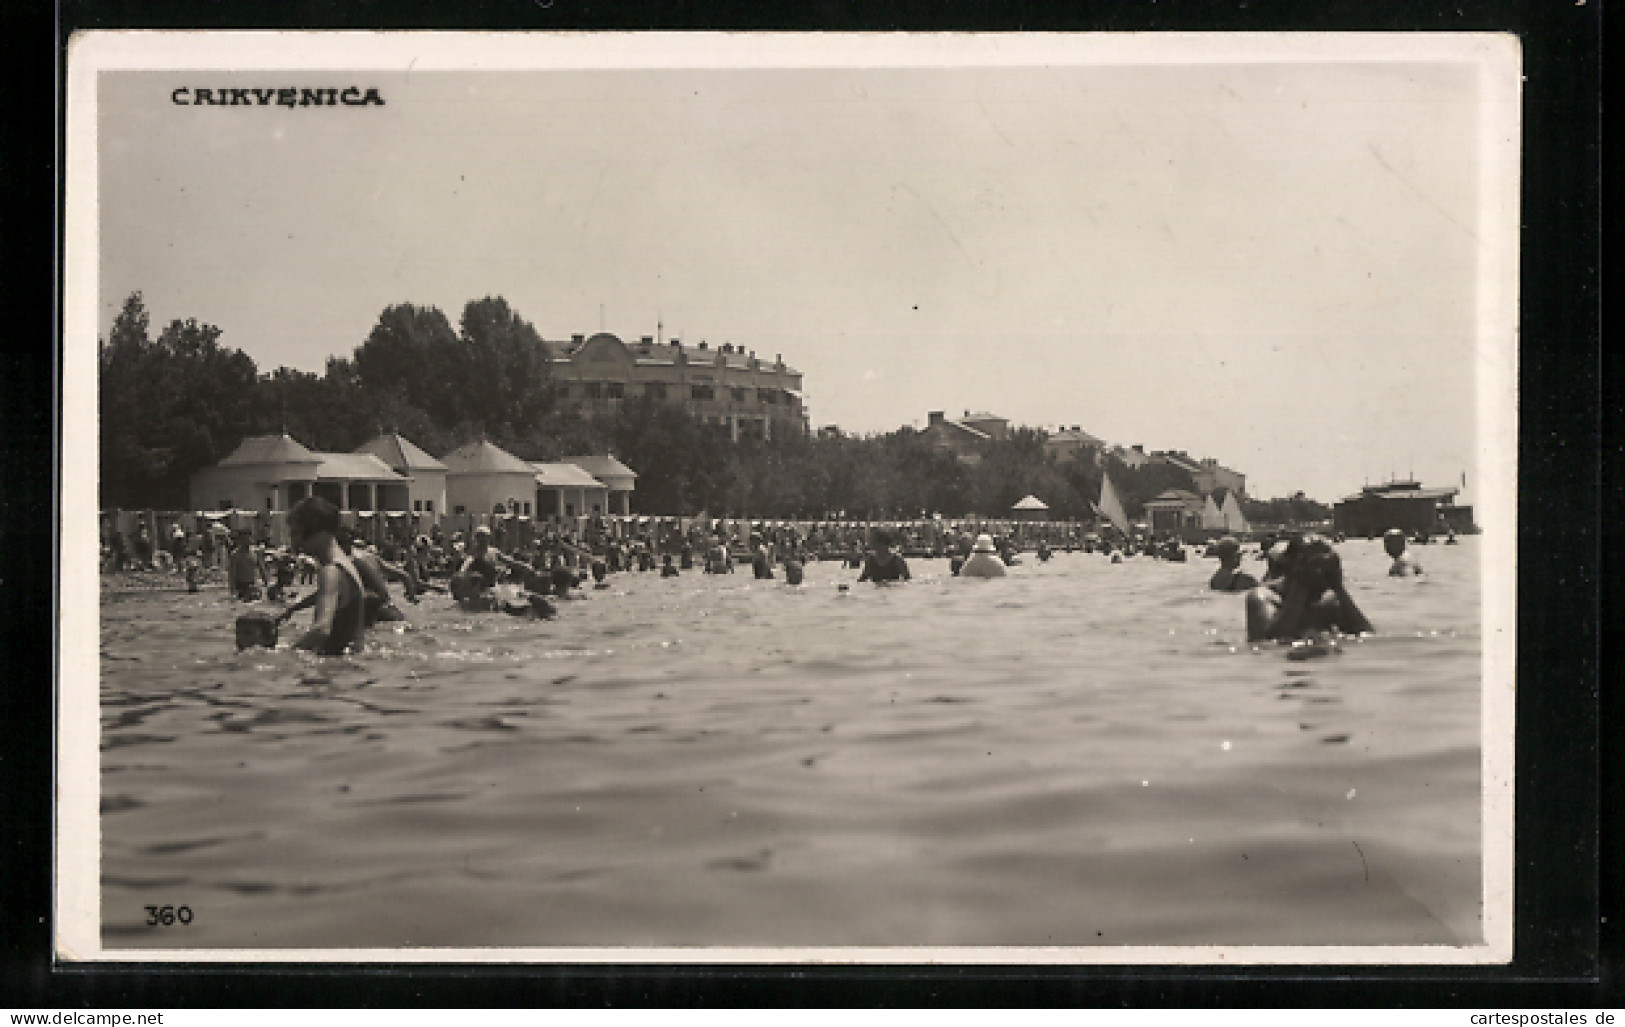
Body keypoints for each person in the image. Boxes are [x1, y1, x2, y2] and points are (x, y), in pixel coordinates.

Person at [280, 497, 367, 656]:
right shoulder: (345, 565)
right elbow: (332, 596)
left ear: (318, 531)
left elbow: (321, 630)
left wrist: (284, 656)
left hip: (333, 670)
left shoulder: (330, 570)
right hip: (351, 666)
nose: (294, 541)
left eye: (296, 533)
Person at [1244, 535, 1373, 642]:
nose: (1319, 573)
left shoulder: (1329, 600)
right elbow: (1268, 641)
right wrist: (1301, 585)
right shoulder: (1263, 597)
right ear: (1289, 567)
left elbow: (1367, 635)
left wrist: (1338, 587)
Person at [227, 530, 267, 601]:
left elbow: (261, 568)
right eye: (244, 539)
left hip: (252, 583)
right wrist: (232, 591)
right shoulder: (235, 555)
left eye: (248, 539)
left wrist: (266, 582)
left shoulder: (254, 552)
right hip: (241, 585)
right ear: (240, 541)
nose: (247, 541)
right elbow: (232, 573)